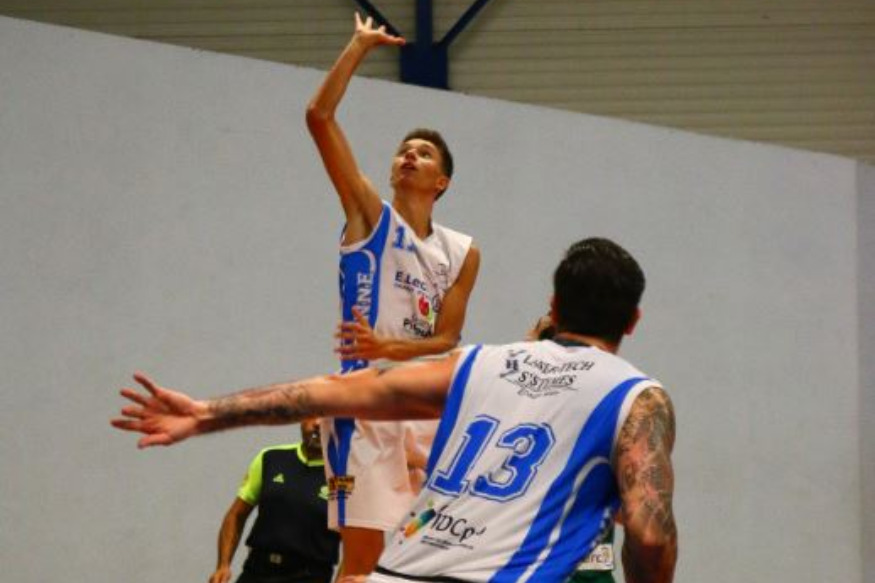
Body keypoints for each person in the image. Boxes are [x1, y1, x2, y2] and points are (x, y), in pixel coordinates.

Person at [112, 237, 677, 583]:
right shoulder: (638, 398)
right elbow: (649, 537)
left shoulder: (476, 363)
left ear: (554, 305)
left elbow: (332, 392)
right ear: (633, 321)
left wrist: (207, 413)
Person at [304, 12, 481, 576]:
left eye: (423, 153)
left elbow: (447, 337)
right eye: (404, 150)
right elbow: (319, 117)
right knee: (362, 562)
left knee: (418, 564)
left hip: (427, 409)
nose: (409, 155)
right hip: (365, 404)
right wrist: (359, 45)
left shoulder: (462, 251)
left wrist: (395, 348)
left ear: (441, 182)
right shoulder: (369, 214)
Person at [209, 419, 340, 583]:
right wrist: (223, 565)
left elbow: (355, 540)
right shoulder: (271, 458)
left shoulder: (343, 473)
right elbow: (236, 515)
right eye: (314, 414)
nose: (318, 423)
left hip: (310, 575)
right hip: (257, 570)